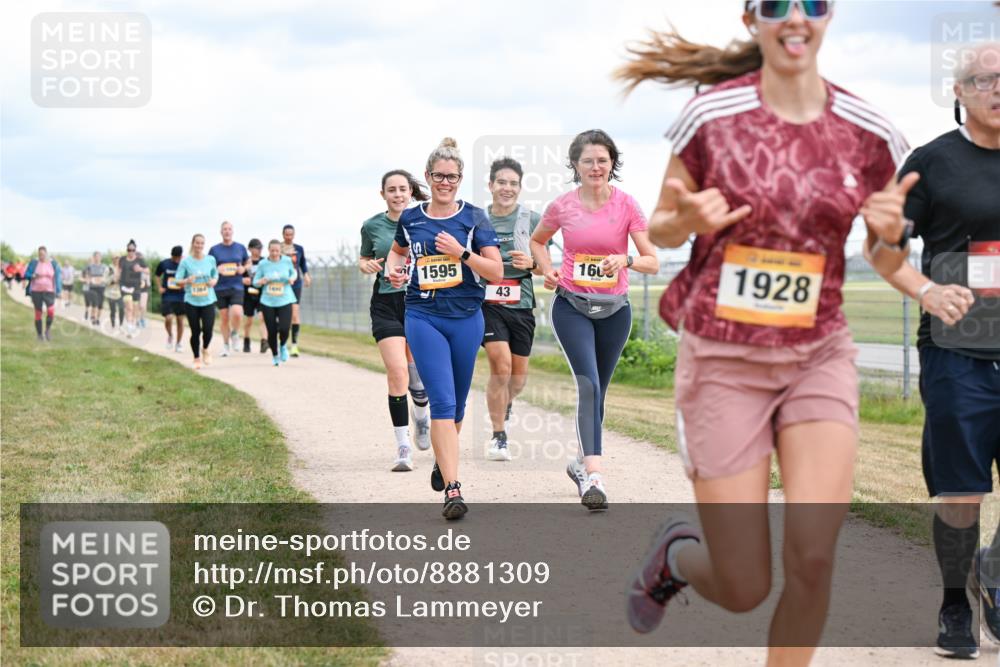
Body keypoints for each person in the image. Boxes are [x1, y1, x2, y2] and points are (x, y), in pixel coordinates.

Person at [615, 2, 911, 663]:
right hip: (724, 358)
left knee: (812, 556)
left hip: (819, 354)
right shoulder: (711, 118)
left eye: (813, 3)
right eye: (776, 5)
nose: (795, 17)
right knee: (746, 585)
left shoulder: (870, 133)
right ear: (753, 18)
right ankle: (677, 556)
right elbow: (660, 226)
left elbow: (889, 248)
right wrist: (683, 219)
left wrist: (892, 234)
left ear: (830, 15)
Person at [871, 41, 1000, 660]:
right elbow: (882, 248)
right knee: (962, 491)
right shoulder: (931, 163)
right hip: (958, 348)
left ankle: (993, 574)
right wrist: (924, 289)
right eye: (984, 79)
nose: (998, 88)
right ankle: (955, 604)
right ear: (959, 92)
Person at [529, 130, 658, 509]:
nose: (596, 167)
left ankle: (580, 462)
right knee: (587, 385)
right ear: (575, 165)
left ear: (612, 164)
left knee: (599, 389)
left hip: (616, 311)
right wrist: (548, 269)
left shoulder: (628, 206)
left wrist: (627, 259)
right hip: (571, 306)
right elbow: (538, 241)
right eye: (588, 161)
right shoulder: (562, 206)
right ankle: (594, 476)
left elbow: (652, 261)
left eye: (603, 160)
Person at [385, 137, 502, 519]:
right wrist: (394, 268)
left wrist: (461, 253)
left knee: (458, 404)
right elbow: (399, 251)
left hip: (467, 318)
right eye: (438, 176)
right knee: (442, 401)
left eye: (452, 177)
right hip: (423, 316)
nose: (445, 182)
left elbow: (496, 271)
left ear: (460, 178)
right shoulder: (412, 218)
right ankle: (453, 490)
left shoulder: (474, 217)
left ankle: (443, 457)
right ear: (428, 177)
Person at [360, 169, 433, 472]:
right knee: (397, 372)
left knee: (417, 378)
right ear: (383, 194)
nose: (398, 194)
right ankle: (403, 446)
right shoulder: (372, 225)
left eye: (403, 189)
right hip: (386, 303)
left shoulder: (425, 220)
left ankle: (421, 413)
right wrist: (366, 265)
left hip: (419, 302)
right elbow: (364, 257)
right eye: (392, 190)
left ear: (411, 191)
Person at [482, 157, 544, 462]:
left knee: (517, 379)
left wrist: (531, 263)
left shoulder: (533, 220)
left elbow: (546, 267)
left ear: (520, 187)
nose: (507, 188)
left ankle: (505, 403)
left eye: (513, 183)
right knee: (500, 365)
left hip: (521, 303)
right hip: (487, 302)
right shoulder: (476, 219)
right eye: (502, 182)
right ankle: (498, 436)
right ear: (491, 185)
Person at [176, 234, 219, 370]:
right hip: (191, 301)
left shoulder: (210, 259)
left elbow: (215, 275)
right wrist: (187, 280)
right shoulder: (186, 262)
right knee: (195, 331)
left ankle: (205, 348)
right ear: (193, 244)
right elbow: (177, 281)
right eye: (197, 243)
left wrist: (213, 281)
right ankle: (196, 357)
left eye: (202, 243)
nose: (199, 246)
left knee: (208, 329)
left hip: (208, 300)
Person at [253, 240, 298, 366]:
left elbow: (293, 273)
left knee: (284, 328)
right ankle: (275, 355)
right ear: (268, 250)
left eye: (277, 251)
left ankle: (283, 345)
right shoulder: (263, 264)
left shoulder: (287, 261)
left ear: (280, 251)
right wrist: (261, 281)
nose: (274, 253)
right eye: (272, 250)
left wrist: (292, 278)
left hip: (285, 299)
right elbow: (255, 281)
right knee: (271, 330)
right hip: (268, 301)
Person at [209, 221, 250, 357]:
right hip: (220, 287)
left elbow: (248, 262)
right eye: (224, 229)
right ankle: (226, 345)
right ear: (221, 232)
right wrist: (216, 269)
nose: (227, 231)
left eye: (229, 229)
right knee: (224, 318)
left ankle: (235, 333)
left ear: (233, 232)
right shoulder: (214, 250)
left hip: (236, 285)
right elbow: (208, 267)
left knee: (238, 313)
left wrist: (243, 268)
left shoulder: (240, 247)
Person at [281, 224, 311, 356]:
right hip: (281, 285)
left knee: (294, 314)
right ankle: (281, 343)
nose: (288, 237)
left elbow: (303, 264)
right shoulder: (278, 248)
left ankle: (294, 345)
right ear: (283, 235)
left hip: (295, 285)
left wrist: (306, 275)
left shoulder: (299, 249)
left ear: (294, 235)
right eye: (286, 234)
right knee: (282, 315)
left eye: (291, 234)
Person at [24, 246, 62, 341]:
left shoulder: (53, 264)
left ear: (46, 253)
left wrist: (59, 291)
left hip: (49, 291)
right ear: (38, 254)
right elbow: (26, 274)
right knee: (38, 313)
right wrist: (32, 275)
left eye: (43, 254)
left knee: (51, 311)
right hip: (36, 291)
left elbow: (57, 278)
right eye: (40, 254)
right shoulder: (34, 263)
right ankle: (39, 335)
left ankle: (47, 330)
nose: (41, 256)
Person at [155, 246, 186, 353]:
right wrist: (159, 287)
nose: (176, 260)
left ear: (181, 256)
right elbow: (157, 275)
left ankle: (178, 343)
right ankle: (170, 335)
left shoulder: (185, 264)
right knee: (168, 318)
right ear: (171, 255)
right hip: (168, 294)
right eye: (175, 257)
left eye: (178, 257)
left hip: (181, 295)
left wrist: (185, 285)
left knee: (180, 320)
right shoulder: (164, 263)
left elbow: (190, 277)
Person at [241, 238, 269, 354]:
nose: (259, 250)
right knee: (249, 320)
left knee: (262, 317)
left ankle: (264, 341)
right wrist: (243, 280)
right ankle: (246, 340)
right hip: (248, 294)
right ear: (250, 249)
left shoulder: (265, 261)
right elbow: (239, 277)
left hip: (262, 294)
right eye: (257, 248)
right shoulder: (246, 262)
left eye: (260, 248)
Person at [116, 240, 148, 338]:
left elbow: (148, 270)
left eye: (133, 250)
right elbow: (118, 270)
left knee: (135, 308)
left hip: (136, 287)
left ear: (135, 250)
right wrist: (116, 279)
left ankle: (132, 324)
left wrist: (141, 269)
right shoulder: (122, 259)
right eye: (129, 250)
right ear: (127, 250)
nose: (131, 251)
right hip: (124, 286)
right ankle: (129, 328)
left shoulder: (140, 260)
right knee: (129, 307)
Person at [83, 252, 109, 326]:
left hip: (101, 287)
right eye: (96, 257)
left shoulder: (104, 267)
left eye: (99, 257)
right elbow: (87, 276)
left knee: (100, 305)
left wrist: (102, 280)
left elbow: (107, 277)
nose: (97, 258)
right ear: (94, 258)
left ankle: (97, 319)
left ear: (101, 258)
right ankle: (93, 318)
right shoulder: (90, 266)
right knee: (94, 303)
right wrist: (89, 280)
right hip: (93, 287)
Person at [105, 257, 125, 333]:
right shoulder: (108, 269)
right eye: (115, 258)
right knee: (113, 311)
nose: (117, 260)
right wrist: (113, 281)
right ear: (112, 259)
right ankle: (113, 326)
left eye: (118, 259)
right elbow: (105, 281)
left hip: (120, 293)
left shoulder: (122, 268)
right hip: (110, 293)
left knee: (122, 309)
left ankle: (121, 326)